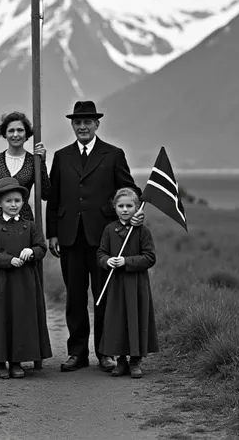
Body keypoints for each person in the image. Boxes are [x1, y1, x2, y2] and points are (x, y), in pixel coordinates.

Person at [46, 99, 144, 373]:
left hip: (104, 239)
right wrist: (52, 233)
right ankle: (77, 353)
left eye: (88, 122)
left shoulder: (113, 154)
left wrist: (134, 210)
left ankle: (105, 352)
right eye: (78, 122)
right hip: (69, 237)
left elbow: (128, 188)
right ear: (72, 126)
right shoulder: (62, 156)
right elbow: (54, 198)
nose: (83, 127)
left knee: (103, 296)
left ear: (97, 124)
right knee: (74, 296)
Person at [0, 177, 52, 378]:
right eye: (9, 201)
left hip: (24, 281)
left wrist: (31, 252)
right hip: (0, 282)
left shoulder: (30, 226)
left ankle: (17, 361)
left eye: (17, 201)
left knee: (20, 319)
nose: (13, 205)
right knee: (1, 317)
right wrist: (8, 260)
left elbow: (42, 247)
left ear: (23, 202)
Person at [97, 187, 159, 378]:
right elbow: (101, 253)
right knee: (117, 320)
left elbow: (149, 258)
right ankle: (121, 360)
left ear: (137, 207)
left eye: (129, 206)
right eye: (121, 206)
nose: (125, 209)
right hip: (116, 284)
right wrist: (107, 261)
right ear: (115, 207)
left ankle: (135, 360)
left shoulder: (142, 232)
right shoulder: (109, 230)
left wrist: (127, 261)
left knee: (135, 318)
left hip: (136, 284)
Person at [0, 111, 50, 224]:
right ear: (4, 134)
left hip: (23, 221)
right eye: (11, 131)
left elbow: (45, 194)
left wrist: (42, 162)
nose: (15, 134)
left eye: (20, 130)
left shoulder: (33, 161)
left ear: (26, 134)